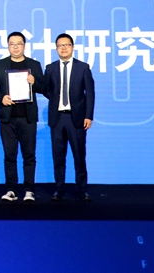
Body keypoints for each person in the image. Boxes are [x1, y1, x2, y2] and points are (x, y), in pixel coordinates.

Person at [0, 31, 44, 203]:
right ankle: (11, 189)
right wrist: (1, 98)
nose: (15, 47)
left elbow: (44, 87)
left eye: (19, 44)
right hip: (7, 118)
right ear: (8, 46)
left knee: (29, 155)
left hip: (28, 118)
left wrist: (35, 83)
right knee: (9, 155)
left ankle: (29, 190)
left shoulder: (34, 65)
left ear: (24, 46)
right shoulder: (0, 65)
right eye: (12, 44)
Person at [41, 33, 95, 202]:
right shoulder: (50, 68)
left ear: (72, 47)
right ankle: (59, 189)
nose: (63, 48)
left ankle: (82, 190)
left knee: (79, 156)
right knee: (58, 157)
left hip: (76, 118)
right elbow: (46, 90)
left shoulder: (83, 67)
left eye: (67, 45)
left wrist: (88, 116)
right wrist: (55, 98)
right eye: (60, 45)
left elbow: (90, 93)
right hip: (57, 119)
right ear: (56, 48)